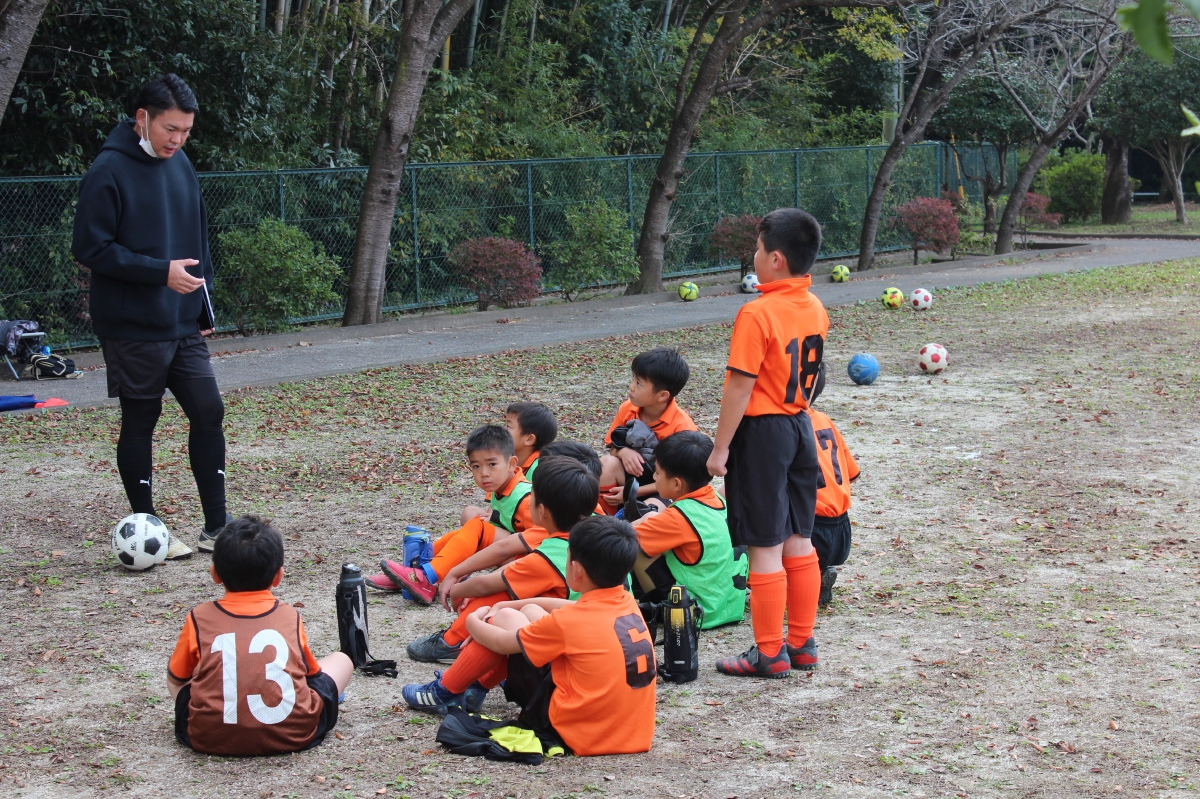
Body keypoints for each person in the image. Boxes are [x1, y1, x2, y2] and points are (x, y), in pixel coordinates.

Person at [71, 73, 229, 558]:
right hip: (132, 324)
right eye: (169, 129)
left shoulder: (181, 163)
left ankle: (217, 527)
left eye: (186, 131)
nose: (177, 140)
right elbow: (90, 248)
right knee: (142, 418)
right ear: (142, 118)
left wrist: (203, 302)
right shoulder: (108, 169)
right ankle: (148, 528)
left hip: (182, 320)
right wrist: (160, 273)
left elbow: (198, 236)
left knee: (209, 409)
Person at [408, 517, 657, 757]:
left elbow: (501, 642)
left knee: (502, 621)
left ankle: (445, 691)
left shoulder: (567, 622)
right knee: (529, 610)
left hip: (578, 733)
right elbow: (570, 608)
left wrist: (475, 620)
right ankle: (473, 689)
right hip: (629, 733)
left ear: (576, 569)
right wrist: (517, 604)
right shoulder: (626, 602)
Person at [706, 208, 829, 678]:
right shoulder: (815, 306)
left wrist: (720, 448)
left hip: (763, 434)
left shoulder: (756, 313)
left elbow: (740, 386)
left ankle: (769, 652)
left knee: (764, 543)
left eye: (757, 250)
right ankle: (802, 643)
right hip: (799, 426)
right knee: (799, 539)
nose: (753, 257)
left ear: (776, 259)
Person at [167, 516, 353, 755]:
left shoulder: (198, 617)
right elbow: (311, 675)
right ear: (278, 576)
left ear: (214, 573)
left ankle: (211, 719)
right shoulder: (289, 616)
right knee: (342, 660)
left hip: (207, 738)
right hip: (295, 734)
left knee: (186, 674)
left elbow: (176, 679)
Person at [403, 456, 598, 666]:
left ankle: (453, 643)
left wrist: (457, 590)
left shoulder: (548, 556)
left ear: (541, 511)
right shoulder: (585, 528)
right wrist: (456, 572)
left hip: (572, 641)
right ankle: (427, 573)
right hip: (594, 623)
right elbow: (507, 549)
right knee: (508, 584)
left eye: (531, 495)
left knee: (500, 602)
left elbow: (488, 583)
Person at [367, 425, 532, 600]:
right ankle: (411, 572)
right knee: (463, 533)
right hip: (511, 552)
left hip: (529, 562)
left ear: (511, 464)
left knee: (478, 528)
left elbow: (544, 540)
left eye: (492, 464)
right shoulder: (501, 487)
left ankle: (426, 578)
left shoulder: (526, 499)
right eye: (476, 466)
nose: (484, 473)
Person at [629, 431, 748, 628]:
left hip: (695, 613)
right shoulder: (718, 499)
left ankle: (660, 608)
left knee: (632, 542)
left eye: (657, 472)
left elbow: (622, 536)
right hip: (728, 607)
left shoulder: (678, 517)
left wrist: (638, 522)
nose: (654, 477)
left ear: (676, 483)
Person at [598, 348, 697, 512]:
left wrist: (632, 492)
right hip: (636, 479)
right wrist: (623, 452)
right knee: (606, 465)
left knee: (648, 511)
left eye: (638, 383)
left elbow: (680, 482)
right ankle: (603, 521)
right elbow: (612, 445)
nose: (631, 386)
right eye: (633, 378)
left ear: (662, 395)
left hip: (666, 490)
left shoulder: (682, 428)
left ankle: (635, 522)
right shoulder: (628, 409)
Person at [806, 368, 860, 607]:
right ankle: (820, 572)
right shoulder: (825, 420)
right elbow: (852, 474)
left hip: (811, 531)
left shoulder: (786, 426)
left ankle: (805, 580)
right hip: (842, 530)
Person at [504, 401, 558, 480]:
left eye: (508, 426)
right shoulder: (502, 457)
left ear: (529, 439)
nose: (503, 430)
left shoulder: (539, 472)